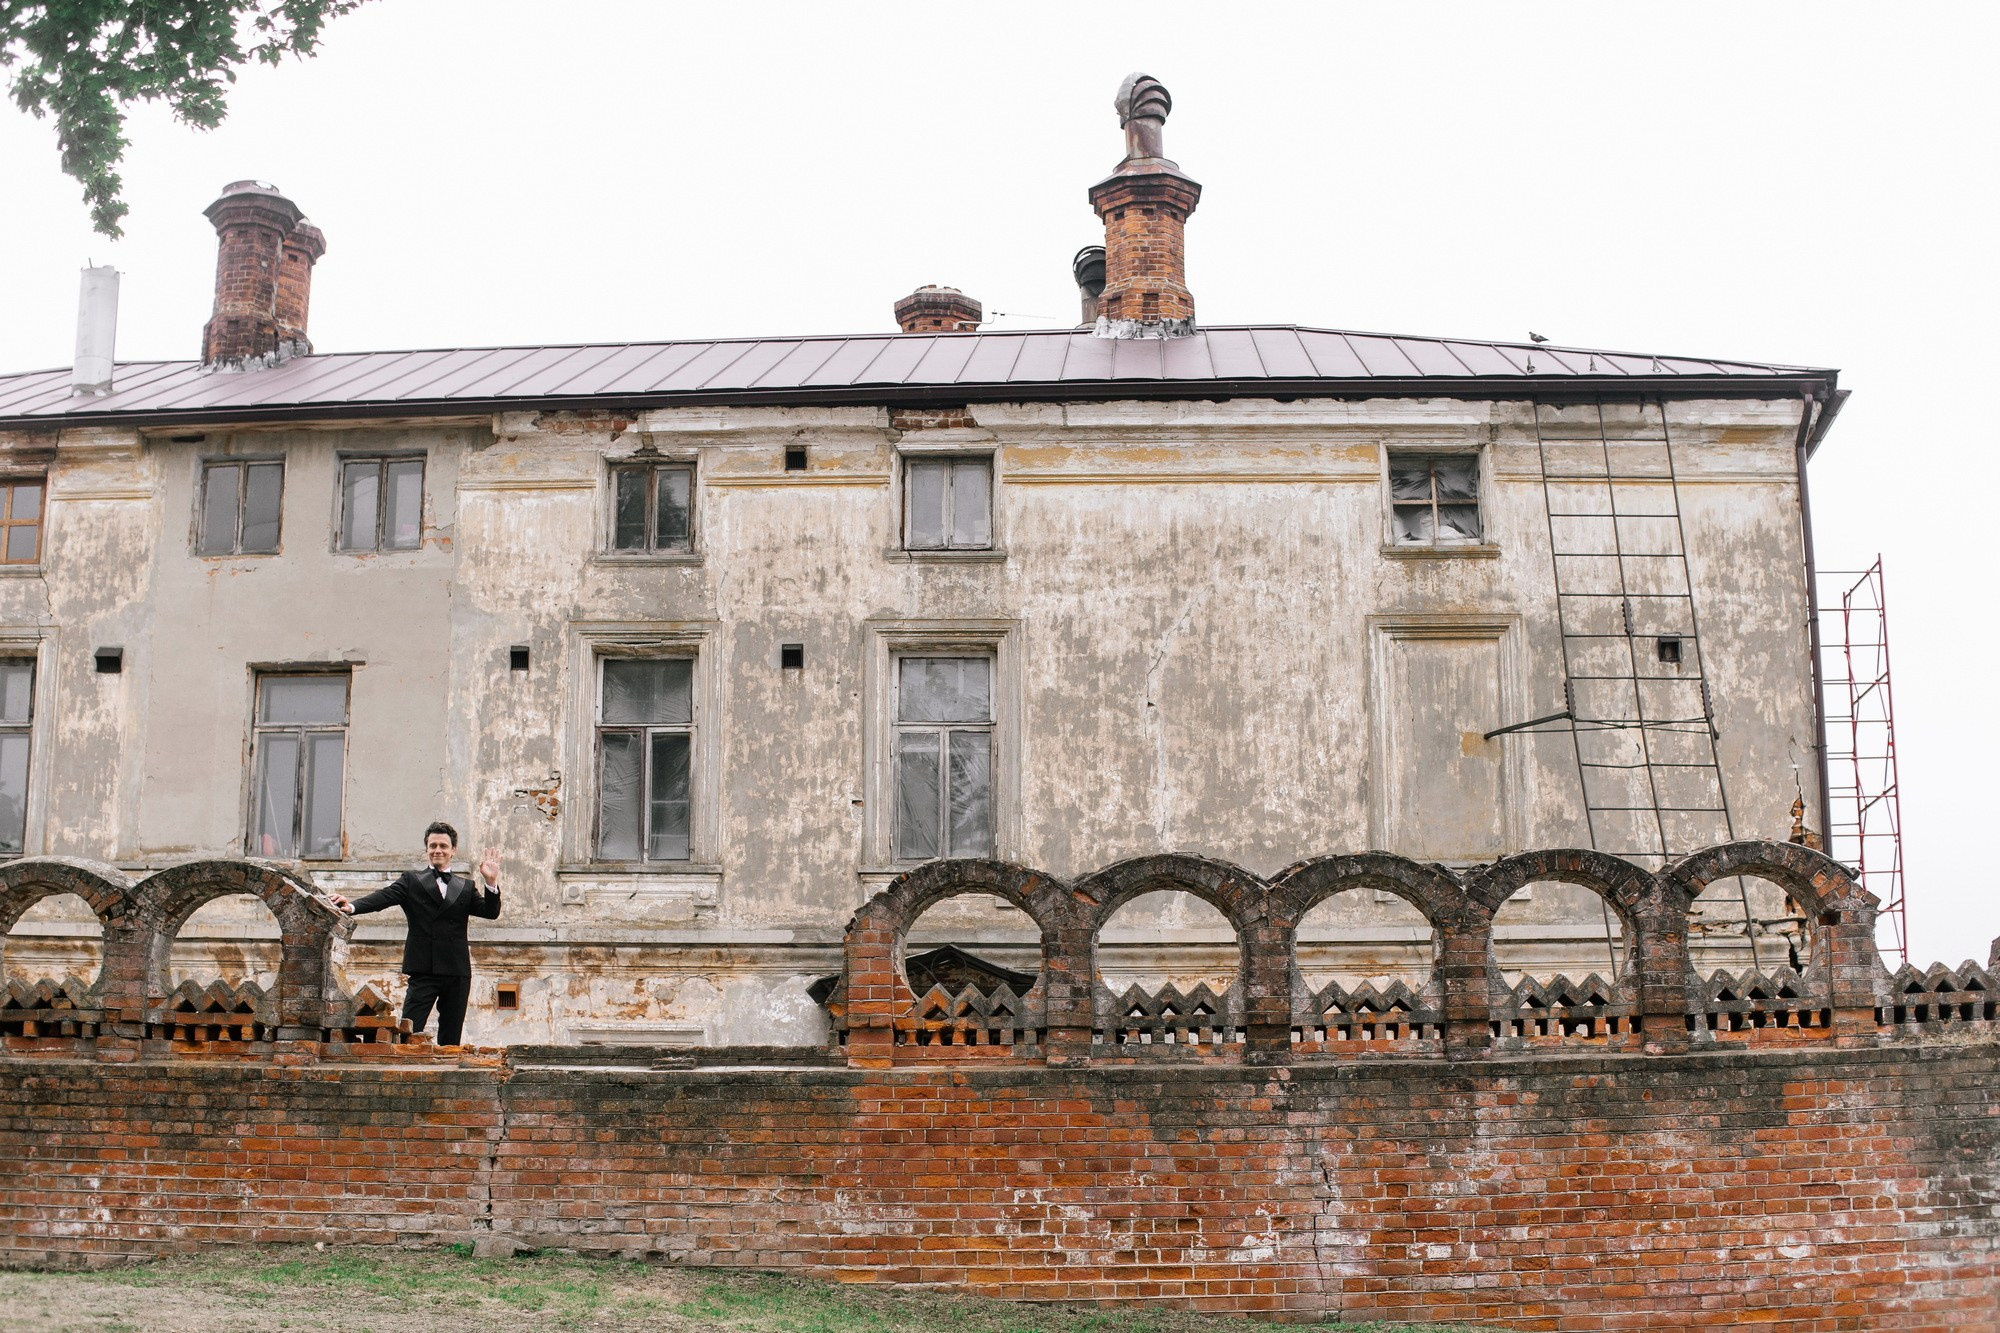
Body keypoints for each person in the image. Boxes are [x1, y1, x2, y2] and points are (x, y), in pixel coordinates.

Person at [327, 821, 501, 1046]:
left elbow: (490, 912)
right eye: (433, 845)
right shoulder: (412, 881)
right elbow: (383, 898)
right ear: (427, 849)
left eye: (443, 846)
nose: (437, 850)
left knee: (451, 1038)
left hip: (456, 971)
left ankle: (446, 1077)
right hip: (423, 969)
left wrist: (491, 881)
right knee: (409, 1030)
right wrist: (351, 906)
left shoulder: (466, 886)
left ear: (453, 850)